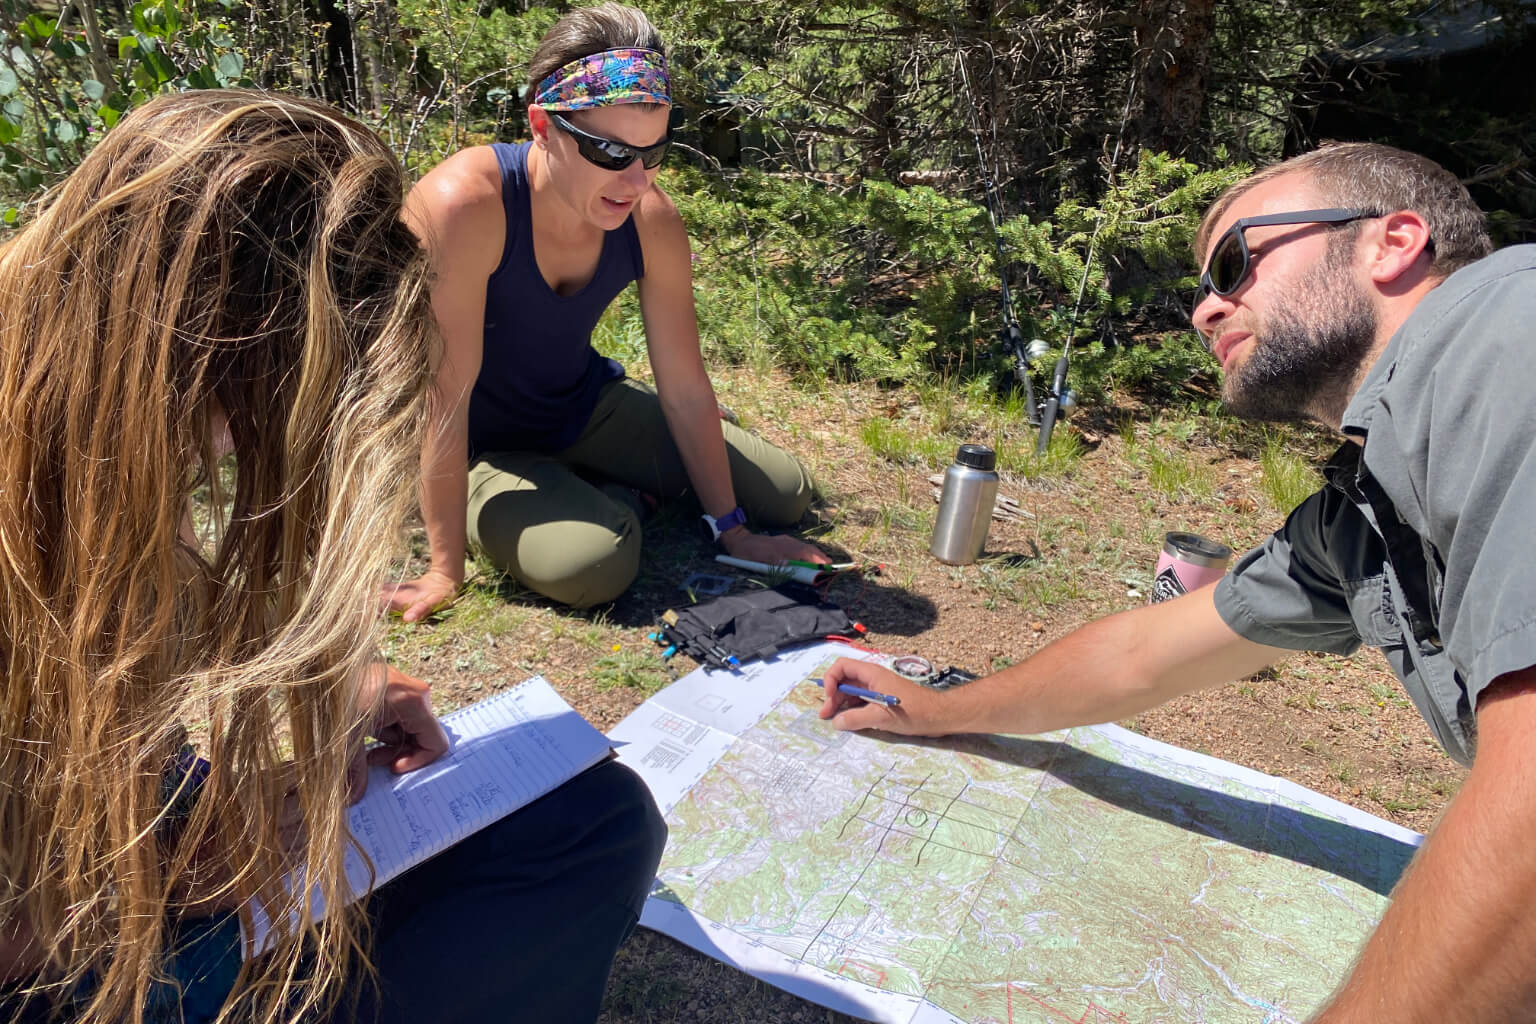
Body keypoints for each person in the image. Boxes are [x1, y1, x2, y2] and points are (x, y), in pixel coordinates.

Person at [819, 142, 1536, 1022]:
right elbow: (1145, 657)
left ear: (1393, 241)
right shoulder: (1360, 510)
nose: (1206, 309)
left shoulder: (1510, 330)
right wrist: (930, 708)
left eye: (1236, 263)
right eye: (1202, 284)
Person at [0, 90, 664, 1024]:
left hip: (161, 860)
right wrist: (174, 866)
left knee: (594, 821)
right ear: (199, 357)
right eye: (255, 424)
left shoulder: (96, 433)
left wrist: (339, 686)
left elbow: (139, 706)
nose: (221, 463)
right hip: (87, 948)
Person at [386, 1, 826, 618]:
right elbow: (442, 397)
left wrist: (734, 531)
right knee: (592, 565)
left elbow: (685, 388)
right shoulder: (465, 207)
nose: (636, 180)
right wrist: (443, 569)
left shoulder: (651, 221)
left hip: (579, 405)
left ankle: (606, 488)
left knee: (785, 493)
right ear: (542, 126)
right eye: (612, 153)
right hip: (475, 441)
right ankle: (597, 498)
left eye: (654, 152)